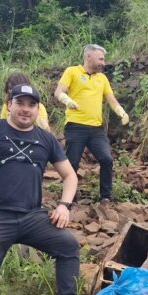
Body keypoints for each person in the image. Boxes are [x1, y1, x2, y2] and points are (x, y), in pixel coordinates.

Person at [0, 84, 85, 295]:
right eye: (20, 103)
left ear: (38, 108)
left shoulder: (46, 139)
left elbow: (70, 176)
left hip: (31, 217)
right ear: (10, 104)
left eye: (31, 104)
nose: (26, 109)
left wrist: (64, 205)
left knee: (68, 246)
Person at [55, 44, 130, 204]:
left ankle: (105, 197)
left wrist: (121, 112)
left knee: (106, 159)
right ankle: (70, 198)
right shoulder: (72, 71)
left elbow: (111, 99)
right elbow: (59, 91)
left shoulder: (102, 78)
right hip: (76, 126)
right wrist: (67, 100)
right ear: (89, 56)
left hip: (96, 129)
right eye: (101, 59)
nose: (104, 62)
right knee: (72, 162)